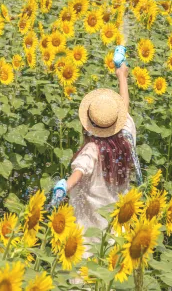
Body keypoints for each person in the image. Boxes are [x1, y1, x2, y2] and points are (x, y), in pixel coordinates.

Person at [51, 63, 139, 238]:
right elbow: (125, 107)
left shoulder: (92, 150)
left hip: (91, 234)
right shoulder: (126, 138)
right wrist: (122, 76)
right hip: (117, 232)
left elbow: (78, 174)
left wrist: (63, 187)